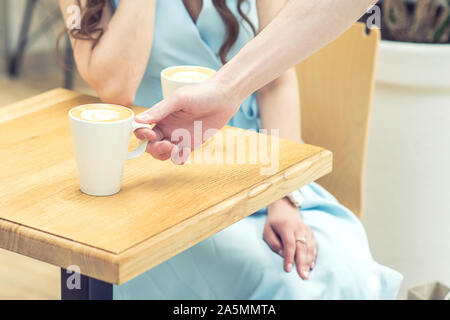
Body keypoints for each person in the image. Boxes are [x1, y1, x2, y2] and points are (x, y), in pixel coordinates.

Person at [59, 0, 402, 299]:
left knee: (345, 265)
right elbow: (116, 87)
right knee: (281, 280)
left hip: (260, 164)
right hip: (158, 178)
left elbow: (277, 83)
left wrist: (281, 194)